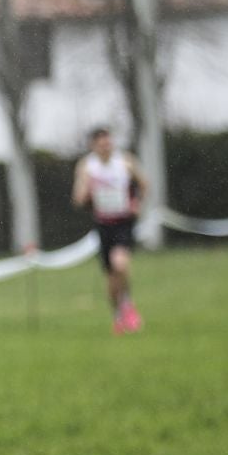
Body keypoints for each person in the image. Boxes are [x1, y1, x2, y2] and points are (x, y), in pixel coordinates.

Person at [72, 126, 149, 333]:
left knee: (120, 264)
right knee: (110, 277)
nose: (106, 147)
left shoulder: (125, 161)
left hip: (124, 222)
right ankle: (117, 315)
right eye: (101, 144)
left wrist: (137, 202)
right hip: (104, 224)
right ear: (93, 146)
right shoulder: (87, 166)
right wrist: (86, 192)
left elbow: (144, 184)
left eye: (108, 143)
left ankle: (128, 305)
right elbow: (78, 199)